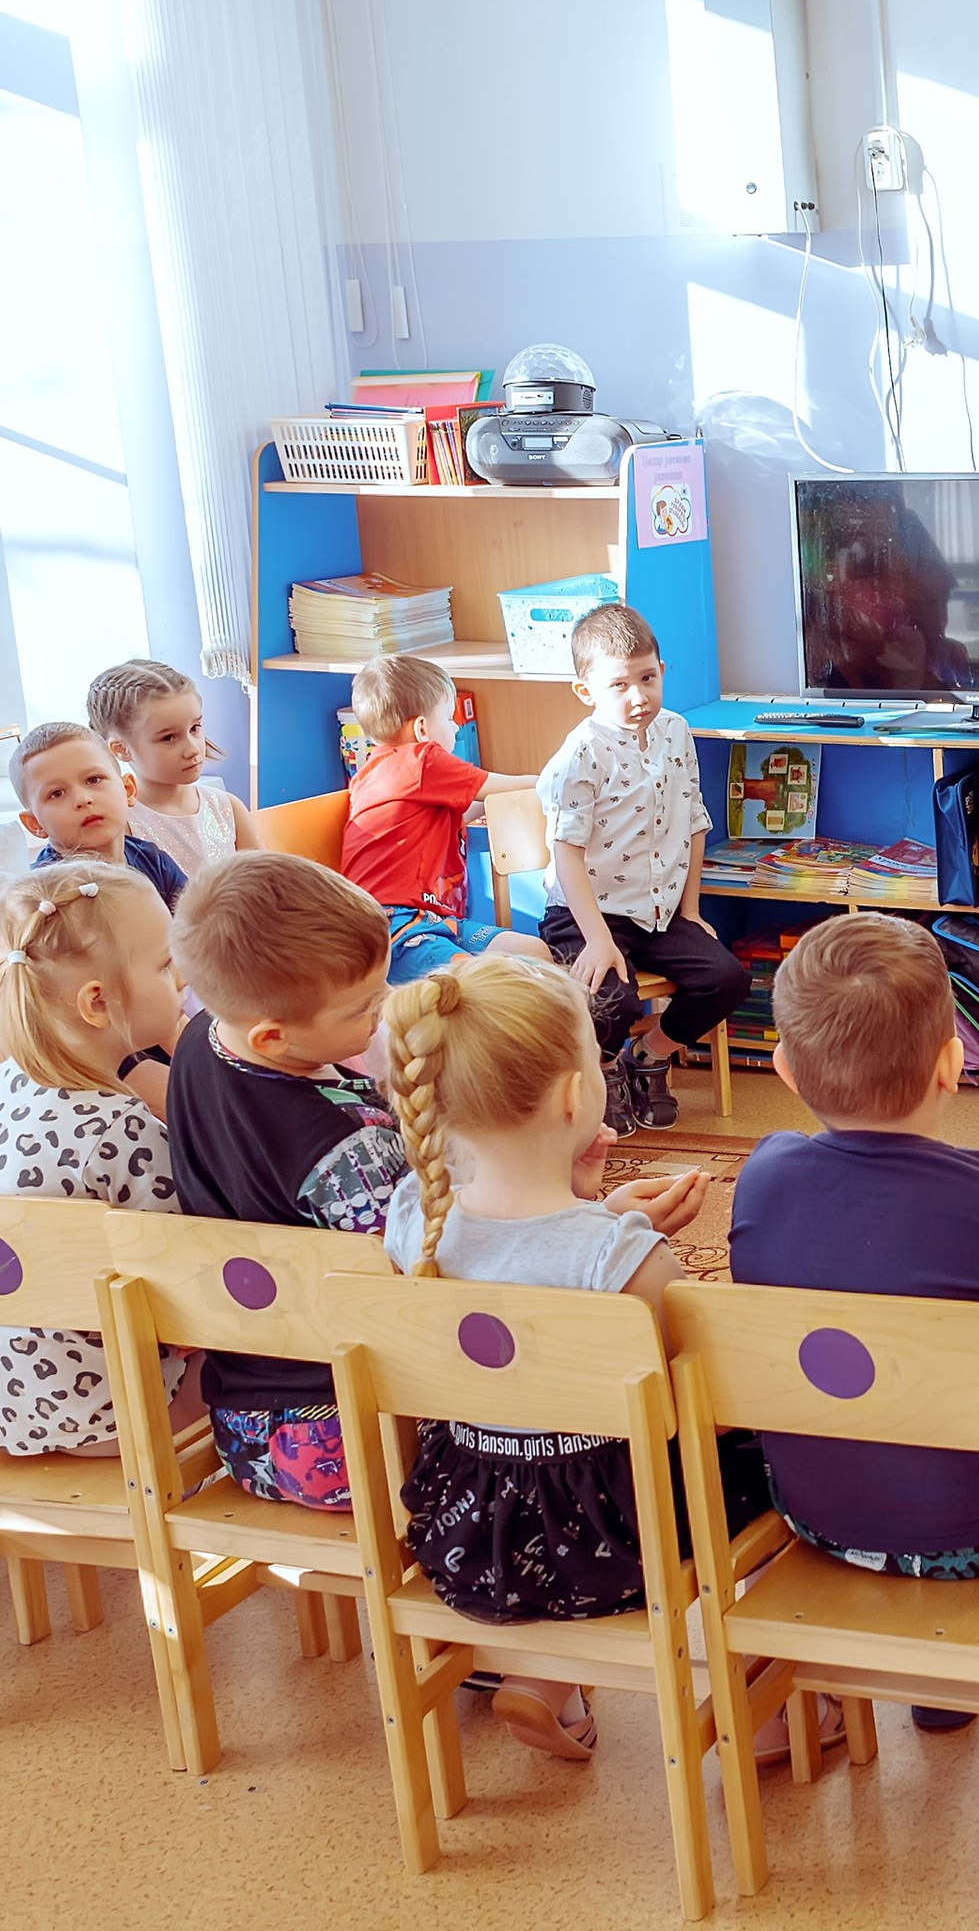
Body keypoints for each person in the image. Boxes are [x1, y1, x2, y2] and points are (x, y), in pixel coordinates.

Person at [728, 912, 979, 1736]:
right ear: (953, 1061)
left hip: (817, 1512)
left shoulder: (762, 1177)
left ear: (784, 1067)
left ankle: (900, 1687)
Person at [379, 955, 748, 1761]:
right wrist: (616, 1230)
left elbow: (518, 1254)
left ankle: (546, 1680)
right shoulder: (619, 1261)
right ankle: (770, 1701)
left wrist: (593, 1210)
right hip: (614, 1540)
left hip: (463, 1527)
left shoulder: (412, 1218)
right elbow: (700, 1397)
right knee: (754, 1454)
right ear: (579, 1097)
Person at [164, 853, 405, 1509]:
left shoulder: (201, 1038)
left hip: (244, 1429)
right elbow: (425, 1280)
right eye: (365, 1006)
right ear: (273, 1036)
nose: (380, 1013)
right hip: (351, 1436)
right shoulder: (343, 1153)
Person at [535, 603, 748, 1136]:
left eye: (648, 678)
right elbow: (566, 852)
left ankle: (648, 1055)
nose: (638, 697)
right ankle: (603, 1071)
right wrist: (598, 939)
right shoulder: (582, 752)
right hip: (585, 912)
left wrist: (692, 909)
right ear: (586, 691)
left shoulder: (677, 731)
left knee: (729, 978)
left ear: (662, 671)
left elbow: (695, 822)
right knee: (612, 1000)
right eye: (619, 686)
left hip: (658, 910)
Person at [0, 862, 185, 1453]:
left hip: (10, 1409)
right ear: (98, 1003)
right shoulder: (118, 1128)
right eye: (164, 963)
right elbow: (187, 1287)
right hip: (116, 1420)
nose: (179, 976)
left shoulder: (7, 1087)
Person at [338, 653, 547, 986]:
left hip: (437, 923)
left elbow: (466, 809)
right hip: (394, 926)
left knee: (532, 952)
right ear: (423, 728)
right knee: (476, 984)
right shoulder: (421, 760)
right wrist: (559, 777)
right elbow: (501, 785)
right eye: (449, 719)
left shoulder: (373, 773)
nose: (454, 728)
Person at [86, 659, 262, 876]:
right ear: (121, 749)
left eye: (195, 728)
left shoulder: (228, 808)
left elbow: (266, 888)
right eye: (169, 738)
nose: (193, 749)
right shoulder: (121, 825)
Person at [11, 724, 189, 909]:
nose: (82, 799)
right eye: (57, 793)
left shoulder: (155, 863)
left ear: (128, 789)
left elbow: (198, 929)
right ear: (35, 824)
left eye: (93, 779)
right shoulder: (39, 899)